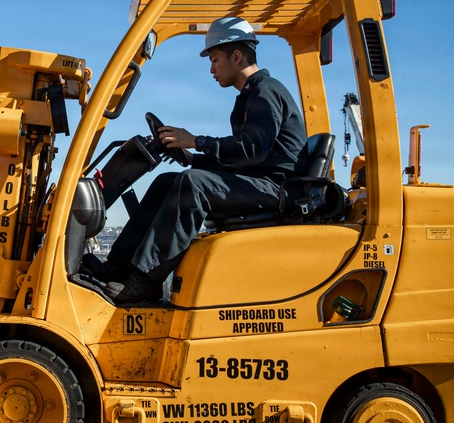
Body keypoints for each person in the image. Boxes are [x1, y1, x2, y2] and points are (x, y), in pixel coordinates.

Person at [85, 17, 308, 304]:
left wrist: (196, 141)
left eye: (215, 60)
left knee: (194, 185)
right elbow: (243, 161)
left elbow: (252, 150)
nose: (212, 69)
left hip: (278, 188)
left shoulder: (265, 91)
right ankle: (118, 266)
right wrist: (192, 157)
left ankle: (146, 280)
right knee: (169, 181)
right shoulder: (249, 96)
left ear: (236, 56)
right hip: (260, 180)